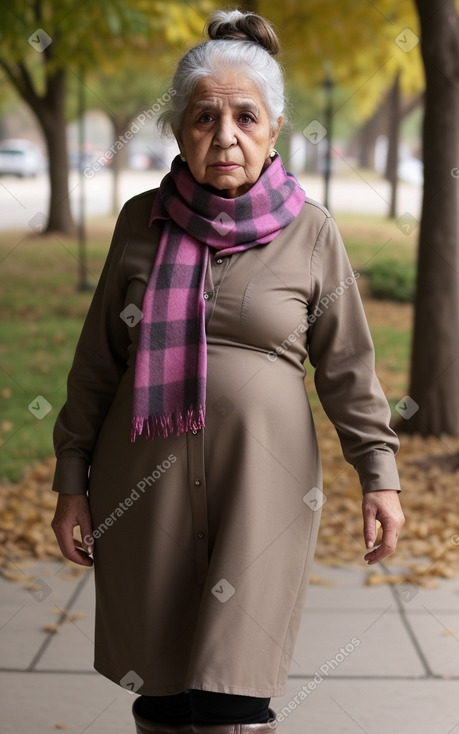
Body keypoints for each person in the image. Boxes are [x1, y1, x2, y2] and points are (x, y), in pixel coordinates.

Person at [51, 8, 404, 734]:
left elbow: (347, 370)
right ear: (178, 130)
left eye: (246, 117)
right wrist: (71, 483)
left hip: (263, 488)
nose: (225, 136)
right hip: (141, 485)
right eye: (204, 118)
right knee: (161, 687)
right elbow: (96, 367)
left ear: (275, 128)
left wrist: (380, 477)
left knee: (233, 690)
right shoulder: (139, 220)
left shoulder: (313, 232)